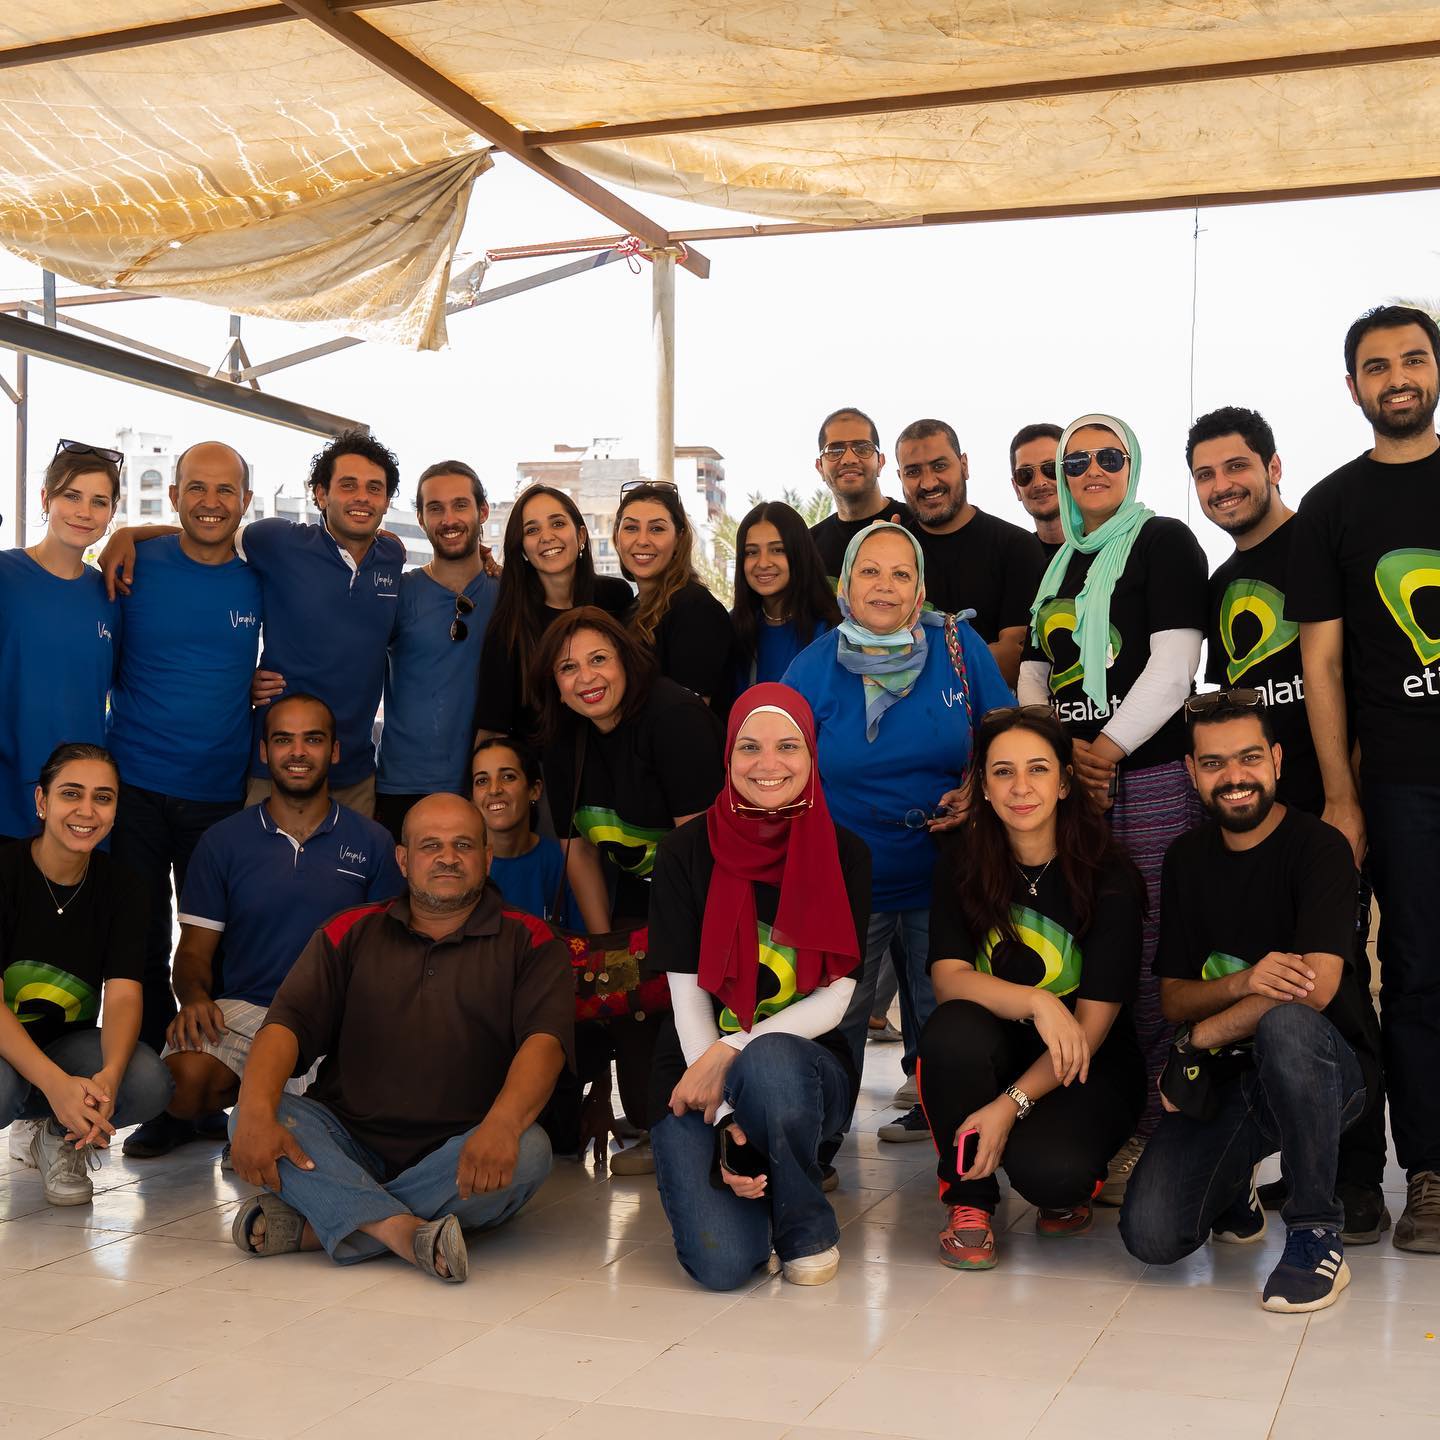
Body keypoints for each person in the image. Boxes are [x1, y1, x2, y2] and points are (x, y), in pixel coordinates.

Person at [1190, 406, 1392, 1243]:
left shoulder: (1320, 543)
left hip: (1330, 809)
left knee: (1341, 989)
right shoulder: (1220, 582)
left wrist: (1347, 797)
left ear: (1274, 467)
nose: (1223, 485)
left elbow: (1352, 673)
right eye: (1206, 474)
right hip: (1258, 822)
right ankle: (1305, 1153)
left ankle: (1355, 1179)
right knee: (1283, 990)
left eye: (1237, 466)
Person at [227, 793, 573, 1281]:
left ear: (487, 857)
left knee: (529, 1151)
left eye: (463, 845)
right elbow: (285, 1026)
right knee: (255, 1112)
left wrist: (500, 1125)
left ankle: (325, 1222)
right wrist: (255, 1112)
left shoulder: (532, 941)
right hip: (348, 1139)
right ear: (404, 860)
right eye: (431, 845)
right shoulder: (350, 931)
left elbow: (545, 1044)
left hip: (461, 1148)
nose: (448, 857)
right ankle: (402, 1231)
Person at [1120, 694, 1377, 1313]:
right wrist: (1245, 983)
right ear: (1191, 772)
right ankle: (1235, 1185)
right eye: (1214, 763)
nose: (1234, 777)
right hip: (1230, 1081)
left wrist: (1203, 1036)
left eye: (1250, 758)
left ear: (1278, 761)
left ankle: (1315, 1232)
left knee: (1287, 1024)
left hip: (1331, 1074)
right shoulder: (1186, 858)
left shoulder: (1320, 848)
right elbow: (1173, 997)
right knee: (1152, 1235)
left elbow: (1314, 990)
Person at [1019, 413, 1208, 1205]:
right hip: (1077, 787)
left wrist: (1103, 751)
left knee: (1160, 954)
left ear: (1132, 464)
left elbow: (1174, 665)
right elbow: (1036, 672)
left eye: (1109, 456)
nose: (1092, 470)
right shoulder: (1059, 563)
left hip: (1150, 777)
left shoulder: (1164, 541)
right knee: (1096, 953)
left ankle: (1167, 1132)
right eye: (1076, 461)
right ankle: (1110, 1119)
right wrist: (1059, 759)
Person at [1288, 303, 1440, 1252]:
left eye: (1413, 359)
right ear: (1353, 388)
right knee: (1417, 976)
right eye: (1377, 366)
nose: (1398, 378)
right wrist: (1343, 796)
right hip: (1400, 783)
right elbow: (1323, 665)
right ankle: (1428, 1173)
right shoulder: (1333, 506)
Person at [784, 522, 1014, 1143]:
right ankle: (822, 1139)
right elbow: (782, 767)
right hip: (849, 876)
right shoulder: (812, 666)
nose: (884, 586)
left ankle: (949, 1129)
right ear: (845, 585)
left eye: (900, 573)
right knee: (841, 1009)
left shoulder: (957, 644)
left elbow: (1006, 734)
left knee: (942, 1005)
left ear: (920, 590)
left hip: (947, 867)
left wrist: (978, 789)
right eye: (869, 571)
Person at [647, 684, 869, 1290]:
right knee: (722, 1266)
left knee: (768, 1059)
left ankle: (803, 1227)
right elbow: (686, 995)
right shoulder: (684, 852)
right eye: (749, 747)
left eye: (787, 746)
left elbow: (837, 998)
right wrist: (724, 1119)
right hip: (692, 1069)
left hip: (801, 1073)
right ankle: (760, 1180)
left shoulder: (846, 854)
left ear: (811, 755)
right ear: (728, 755)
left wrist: (732, 1048)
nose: (768, 764)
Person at [123, 694, 402, 1157]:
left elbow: (390, 954)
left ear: (334, 751)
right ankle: (259, 1118)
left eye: (313, 740)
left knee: (349, 1120)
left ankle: (260, 1124)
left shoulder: (373, 842)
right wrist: (193, 998)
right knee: (180, 1084)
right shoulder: (223, 841)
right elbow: (192, 951)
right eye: (283, 740)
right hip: (247, 1010)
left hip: (334, 1016)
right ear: (264, 751)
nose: (298, 752)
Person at [920, 707, 1145, 1269]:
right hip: (993, 1044)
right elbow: (949, 980)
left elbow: (1089, 1030)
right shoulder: (960, 862)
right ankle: (969, 1200)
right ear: (983, 786)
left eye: (1038, 769)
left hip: (1085, 1063)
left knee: (1053, 1175)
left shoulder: (1110, 873)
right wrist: (1038, 1001)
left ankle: (1065, 1180)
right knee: (950, 1032)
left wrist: (1008, 1106)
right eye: (1003, 772)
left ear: (1065, 782)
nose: (1021, 787)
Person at [101, 429, 406, 817]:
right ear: (321, 494)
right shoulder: (277, 541)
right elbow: (209, 529)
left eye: (374, 488)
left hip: (355, 775)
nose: (362, 497)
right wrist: (128, 534)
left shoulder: (392, 555)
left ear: (386, 501)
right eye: (348, 485)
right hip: (271, 770)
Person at [535, 607, 726, 1172]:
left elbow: (702, 855)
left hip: (712, 899)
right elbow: (578, 850)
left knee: (695, 1028)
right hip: (638, 896)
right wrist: (609, 955)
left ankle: (723, 1131)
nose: (586, 678)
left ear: (627, 660)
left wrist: (681, 959)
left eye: (599, 659)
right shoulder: (561, 739)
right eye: (568, 667)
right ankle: (657, 1123)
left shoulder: (675, 719)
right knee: (645, 1096)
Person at [106, 441, 260, 1075]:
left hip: (218, 793)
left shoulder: (259, 576)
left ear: (246, 501)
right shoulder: (133, 565)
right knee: (139, 939)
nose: (210, 502)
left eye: (226, 490)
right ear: (173, 496)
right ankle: (144, 1078)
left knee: (211, 945)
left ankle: (201, 1079)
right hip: (133, 787)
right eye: (196, 487)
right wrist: (125, 532)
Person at [1, 744, 172, 1207]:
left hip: (63, 1045)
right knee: (2, 1086)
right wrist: (56, 1085)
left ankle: (58, 1137)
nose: (87, 811)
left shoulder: (124, 887)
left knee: (147, 1079)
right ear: (42, 801)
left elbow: (122, 996)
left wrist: (110, 1079)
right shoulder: (5, 872)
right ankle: (49, 1108)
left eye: (103, 798)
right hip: (5, 1047)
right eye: (71, 794)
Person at [0, 441, 120, 841]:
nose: (84, 512)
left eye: (99, 501)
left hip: (82, 805)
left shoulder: (109, 596)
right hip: (8, 794)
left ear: (112, 512)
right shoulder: (5, 575)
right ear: (45, 499)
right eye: (71, 496)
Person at [376, 461, 498, 842]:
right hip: (403, 786)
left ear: (482, 511)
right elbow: (342, 652)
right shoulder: (397, 593)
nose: (449, 519)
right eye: (435, 508)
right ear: (420, 518)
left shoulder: (509, 594)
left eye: (460, 505)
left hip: (488, 786)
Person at [474, 483, 633, 748]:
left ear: (581, 535)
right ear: (522, 548)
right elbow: (492, 728)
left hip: (619, 755)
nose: (546, 537)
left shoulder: (616, 597)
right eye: (532, 530)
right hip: (542, 767)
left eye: (557, 523)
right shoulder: (509, 625)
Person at [895, 418, 1047, 687]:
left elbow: (1013, 661)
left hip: (993, 711)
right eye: (913, 471)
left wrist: (911, 666)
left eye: (939, 466)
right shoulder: (893, 552)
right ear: (900, 477)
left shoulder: (1016, 546)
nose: (928, 483)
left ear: (964, 465)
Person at [614, 482, 733, 710]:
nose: (642, 540)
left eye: (657, 529)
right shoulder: (630, 609)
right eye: (631, 528)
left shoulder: (695, 609)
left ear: (679, 538)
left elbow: (688, 715)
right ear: (617, 537)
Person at [471, 735, 579, 927]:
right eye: (482, 780)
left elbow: (583, 940)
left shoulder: (565, 862)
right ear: (472, 798)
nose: (494, 790)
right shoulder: (463, 863)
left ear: (534, 790)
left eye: (508, 777)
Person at [730, 500, 840, 688]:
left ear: (800, 553)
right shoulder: (733, 627)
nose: (763, 563)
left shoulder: (832, 631)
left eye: (777, 550)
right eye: (751, 552)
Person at [808, 407, 911, 583]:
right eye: (834, 451)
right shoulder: (809, 546)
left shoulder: (917, 526)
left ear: (880, 462)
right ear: (820, 468)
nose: (849, 459)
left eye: (862, 448)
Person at [1008, 423, 1064, 554]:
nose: (1039, 483)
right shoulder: (1014, 558)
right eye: (1025, 474)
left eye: (1050, 468)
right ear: (1016, 488)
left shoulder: (1109, 550)